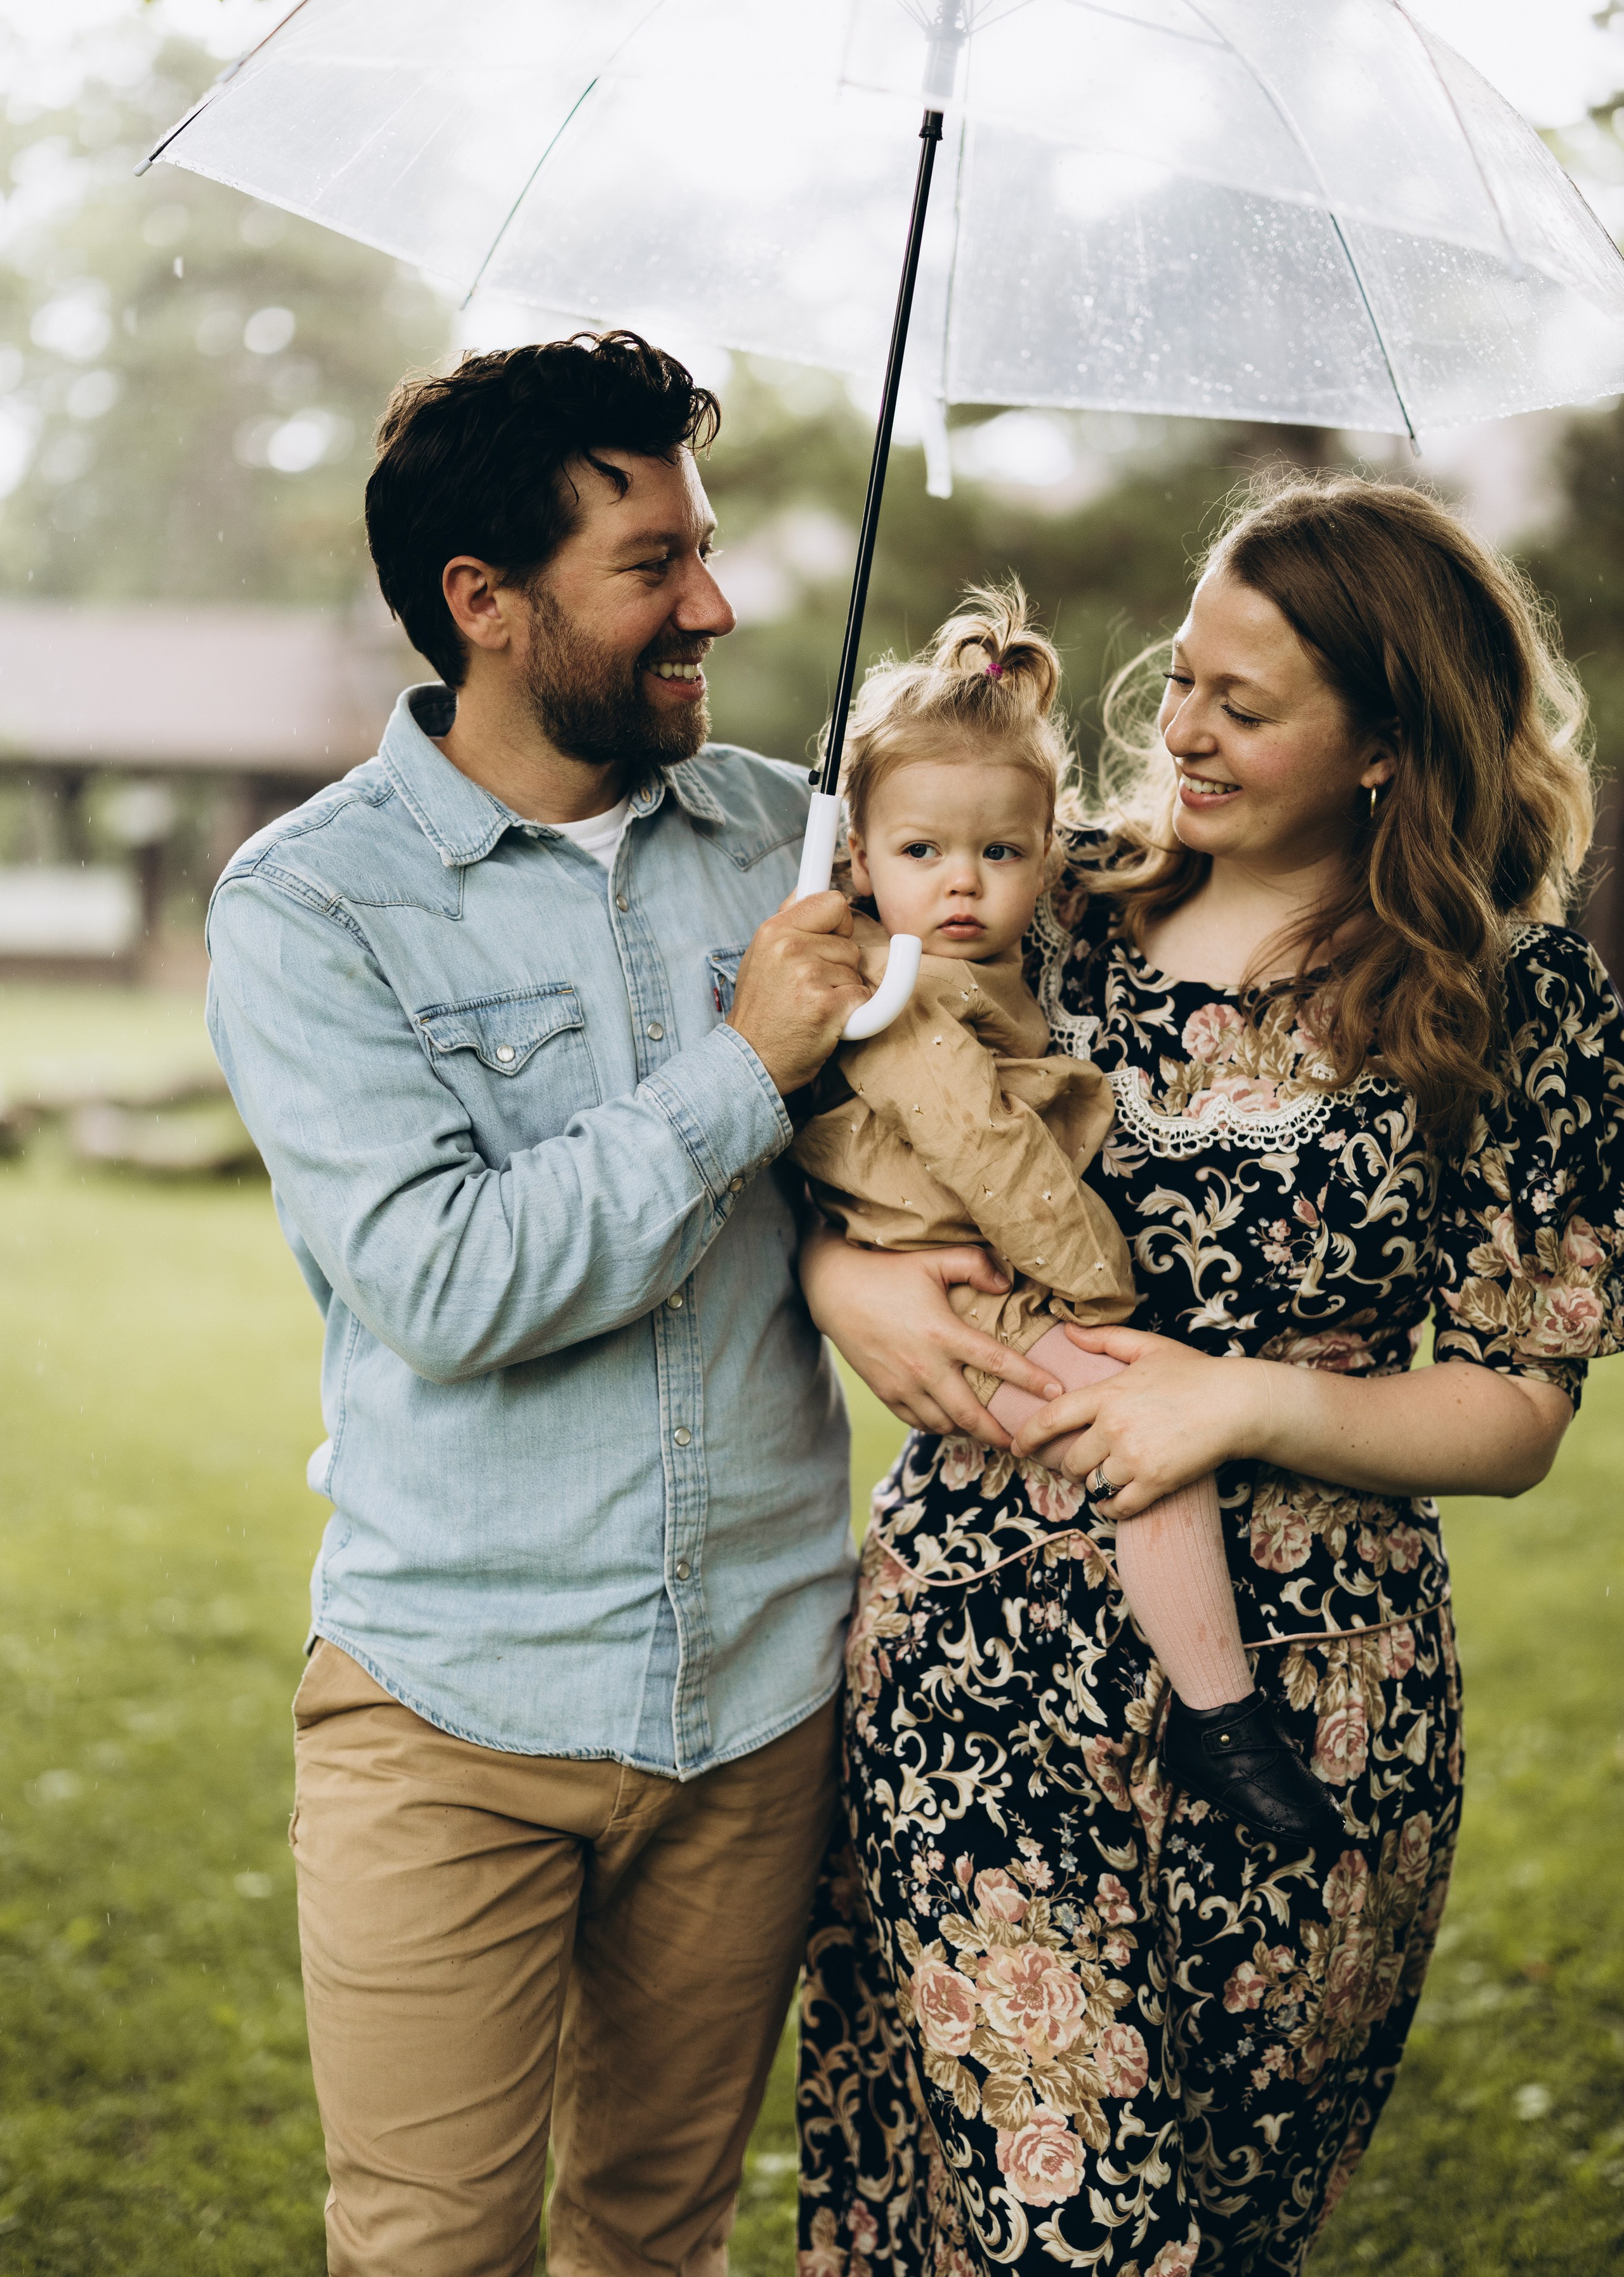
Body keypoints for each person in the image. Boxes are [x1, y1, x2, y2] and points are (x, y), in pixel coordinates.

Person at [206, 331, 1009, 2277]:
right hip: (450, 1709)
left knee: (659, 2235)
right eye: (652, 564)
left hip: (755, 1696)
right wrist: (745, 1065)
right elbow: (446, 1282)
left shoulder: (787, 840)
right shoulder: (310, 909)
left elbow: (968, 1043)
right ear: (484, 603)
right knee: (430, 2248)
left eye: (705, 549)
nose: (714, 604)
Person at [796, 476, 1623, 2276]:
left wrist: (1241, 1400)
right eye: (1182, 678)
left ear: (1392, 741)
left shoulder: (1511, 999)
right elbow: (848, 1104)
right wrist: (838, 1272)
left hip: (1318, 1704)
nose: (1178, 730)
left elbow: (1519, 1407)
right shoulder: (1038, 904)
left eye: (1244, 706)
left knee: (1232, 2228)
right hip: (985, 1659)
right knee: (1063, 2228)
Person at [793, 584, 1341, 1844]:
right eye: (920, 853)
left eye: (1000, 853)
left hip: (975, 1267)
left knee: (1139, 1449)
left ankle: (1211, 1710)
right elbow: (992, 1160)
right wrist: (1095, 1289)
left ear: (1049, 853)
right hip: (980, 1275)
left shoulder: (989, 957)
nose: (964, 885)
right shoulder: (900, 992)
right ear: (859, 855)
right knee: (1145, 1449)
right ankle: (1219, 1711)